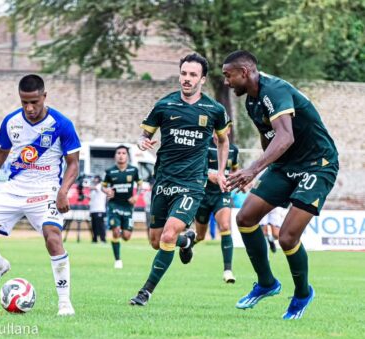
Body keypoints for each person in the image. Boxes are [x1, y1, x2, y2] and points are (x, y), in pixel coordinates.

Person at [222, 50, 338, 320]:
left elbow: (285, 137)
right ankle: (266, 283)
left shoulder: (273, 91)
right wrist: (265, 171)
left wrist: (252, 169)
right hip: (286, 166)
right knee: (246, 217)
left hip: (317, 164)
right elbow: (269, 137)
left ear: (246, 72)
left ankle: (301, 294)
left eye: (229, 76)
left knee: (286, 237)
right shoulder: (251, 101)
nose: (226, 81)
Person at [0, 74, 81, 316]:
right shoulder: (11, 122)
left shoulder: (61, 124)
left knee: (53, 237)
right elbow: (0, 154)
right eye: (24, 103)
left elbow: (74, 164)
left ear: (44, 97)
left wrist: (63, 191)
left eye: (34, 102)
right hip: (15, 188)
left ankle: (64, 302)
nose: (29, 108)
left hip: (46, 189)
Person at [130, 53, 231, 306]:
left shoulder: (215, 110)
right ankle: (186, 241)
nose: (187, 79)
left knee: (167, 236)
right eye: (184, 73)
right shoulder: (164, 105)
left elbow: (223, 140)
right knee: (156, 242)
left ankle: (145, 292)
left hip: (192, 184)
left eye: (193, 75)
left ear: (203, 79)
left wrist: (219, 171)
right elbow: (145, 135)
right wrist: (143, 141)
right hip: (163, 181)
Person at [193, 128, 239, 283]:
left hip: (222, 194)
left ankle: (228, 271)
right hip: (203, 195)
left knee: (225, 226)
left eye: (224, 128)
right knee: (199, 236)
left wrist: (238, 179)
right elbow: (194, 168)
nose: (219, 131)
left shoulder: (233, 149)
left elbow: (234, 168)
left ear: (229, 130)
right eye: (216, 129)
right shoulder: (203, 146)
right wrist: (209, 175)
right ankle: (187, 245)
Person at [102, 145, 143, 269]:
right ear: (115, 156)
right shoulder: (110, 171)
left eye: (123, 153)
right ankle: (118, 260)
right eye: (118, 153)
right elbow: (103, 186)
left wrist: (136, 196)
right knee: (115, 231)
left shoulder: (133, 170)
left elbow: (140, 185)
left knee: (126, 236)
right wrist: (107, 190)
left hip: (128, 206)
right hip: (114, 205)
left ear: (127, 156)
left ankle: (123, 232)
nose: (121, 155)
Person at [89, 175, 107, 243]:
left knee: (100, 225)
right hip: (93, 209)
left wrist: (86, 186)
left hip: (99, 209)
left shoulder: (101, 186)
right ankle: (95, 239)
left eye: (95, 179)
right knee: (94, 225)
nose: (94, 180)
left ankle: (103, 239)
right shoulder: (94, 189)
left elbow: (95, 188)